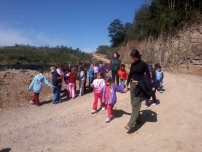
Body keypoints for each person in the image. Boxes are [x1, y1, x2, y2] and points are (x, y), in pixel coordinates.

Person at [125, 49, 150, 131]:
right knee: (133, 103)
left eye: (133, 57)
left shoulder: (143, 64)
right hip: (133, 85)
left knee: (136, 104)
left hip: (140, 86)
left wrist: (142, 82)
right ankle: (139, 120)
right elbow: (130, 75)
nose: (132, 59)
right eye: (132, 57)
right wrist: (127, 84)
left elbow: (148, 75)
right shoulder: (133, 65)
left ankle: (130, 124)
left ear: (137, 56)